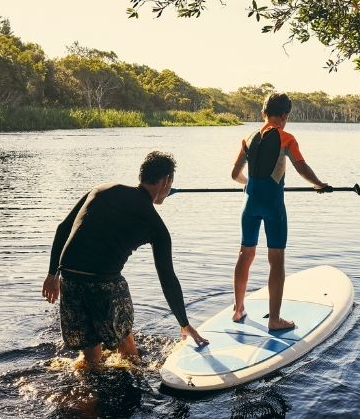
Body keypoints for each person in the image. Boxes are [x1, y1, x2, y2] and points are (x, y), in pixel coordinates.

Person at [41, 151, 208, 369]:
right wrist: (184, 324)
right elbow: (167, 278)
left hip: (69, 279)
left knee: (91, 356)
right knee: (126, 346)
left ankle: (88, 394)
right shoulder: (155, 225)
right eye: (170, 183)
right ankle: (136, 377)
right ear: (166, 181)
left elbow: (63, 229)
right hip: (104, 283)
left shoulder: (102, 190)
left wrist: (53, 274)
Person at [230, 93, 329, 331]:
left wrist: (247, 184)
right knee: (276, 260)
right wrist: (319, 185)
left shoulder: (248, 137)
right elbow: (302, 167)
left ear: (264, 113)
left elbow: (235, 175)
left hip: (249, 204)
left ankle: (238, 309)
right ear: (285, 115)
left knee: (245, 254)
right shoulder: (286, 138)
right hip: (273, 206)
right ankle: (274, 320)